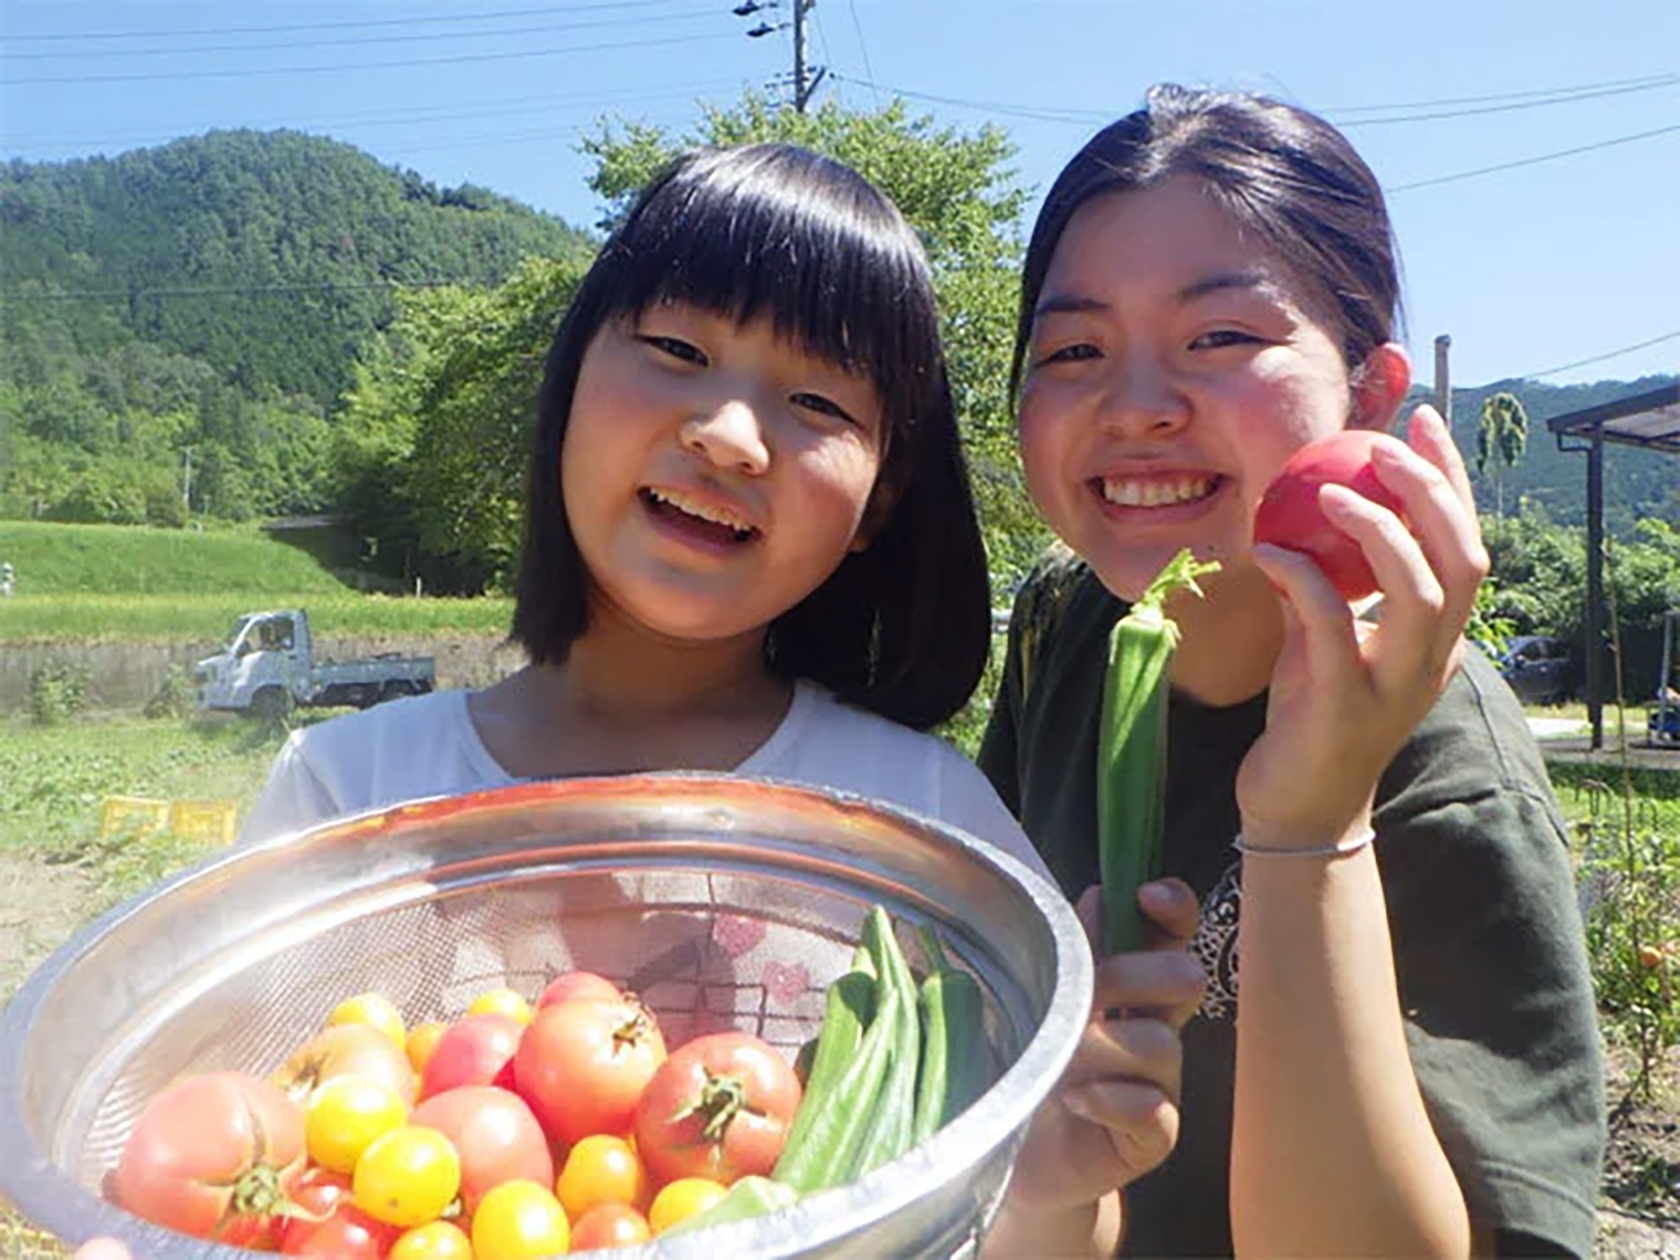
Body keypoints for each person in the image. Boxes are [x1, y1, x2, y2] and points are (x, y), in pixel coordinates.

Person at [229, 141, 1139, 1255]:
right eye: (674, 348)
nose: (728, 436)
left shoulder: (926, 823)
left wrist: (1057, 1176)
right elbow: (246, 1170)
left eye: (814, 399)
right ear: (570, 382)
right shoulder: (346, 792)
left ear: (882, 495)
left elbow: (1038, 1227)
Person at [979, 85, 1605, 1258]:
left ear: (1369, 392)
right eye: (1075, 349)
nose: (1136, 407)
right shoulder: (1064, 631)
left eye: (1219, 338)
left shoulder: (1448, 761)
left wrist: (1312, 824)